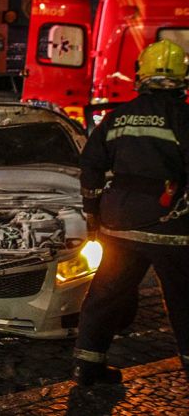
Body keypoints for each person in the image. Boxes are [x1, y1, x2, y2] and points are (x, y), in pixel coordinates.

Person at [74, 39, 189, 386]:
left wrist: (93, 215)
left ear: (141, 76)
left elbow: (91, 167)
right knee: (184, 301)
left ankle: (88, 366)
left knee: (105, 295)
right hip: (170, 226)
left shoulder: (118, 117)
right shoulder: (183, 117)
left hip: (119, 223)